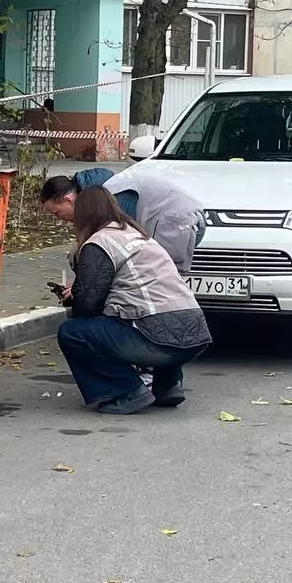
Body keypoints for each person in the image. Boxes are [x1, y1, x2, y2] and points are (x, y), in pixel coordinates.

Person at [55, 187, 212, 414]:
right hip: (194, 334)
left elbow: (87, 306)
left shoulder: (100, 242)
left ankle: (126, 391)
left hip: (159, 338)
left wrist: (77, 295)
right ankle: (167, 385)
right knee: (148, 313)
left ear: (83, 214)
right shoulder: (140, 235)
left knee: (72, 332)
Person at [40, 167, 206, 273]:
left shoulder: (113, 195)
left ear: (68, 200)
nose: (60, 220)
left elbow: (121, 248)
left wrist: (85, 288)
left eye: (56, 213)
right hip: (174, 221)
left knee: (161, 277)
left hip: (177, 222)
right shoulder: (101, 193)